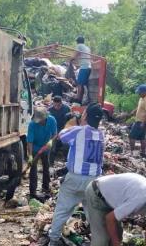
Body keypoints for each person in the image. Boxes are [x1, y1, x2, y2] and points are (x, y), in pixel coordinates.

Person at [48, 103, 104, 246]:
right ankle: (98, 241)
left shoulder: (78, 131)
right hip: (94, 181)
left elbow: (61, 135)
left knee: (62, 210)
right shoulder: (101, 135)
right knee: (93, 214)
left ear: (85, 115)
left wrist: (75, 122)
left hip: (75, 179)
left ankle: (53, 240)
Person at [84, 173, 146, 246]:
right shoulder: (139, 199)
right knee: (101, 240)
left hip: (113, 201)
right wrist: (116, 244)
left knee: (117, 235)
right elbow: (110, 219)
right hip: (97, 195)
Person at [27, 106, 57, 200]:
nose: (39, 122)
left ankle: (46, 187)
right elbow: (29, 141)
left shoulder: (52, 120)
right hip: (35, 148)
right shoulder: (32, 124)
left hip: (46, 146)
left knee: (46, 166)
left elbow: (55, 134)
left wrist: (51, 141)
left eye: (40, 120)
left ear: (45, 117)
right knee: (33, 169)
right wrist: (30, 155)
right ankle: (32, 192)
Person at [129, 84, 146, 156]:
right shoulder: (142, 98)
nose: (139, 94)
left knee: (131, 136)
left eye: (140, 92)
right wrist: (134, 111)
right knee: (142, 137)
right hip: (140, 121)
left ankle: (132, 152)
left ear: (144, 92)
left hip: (141, 121)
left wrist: (143, 122)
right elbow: (139, 106)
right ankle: (143, 153)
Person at [48, 96, 71, 165]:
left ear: (61, 103)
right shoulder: (50, 110)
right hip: (54, 132)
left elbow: (70, 122)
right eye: (55, 105)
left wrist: (64, 132)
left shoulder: (67, 109)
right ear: (53, 104)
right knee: (52, 148)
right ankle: (50, 164)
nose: (57, 107)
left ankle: (67, 163)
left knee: (66, 147)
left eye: (59, 105)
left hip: (65, 131)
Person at [72, 36, 91, 104]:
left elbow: (75, 55)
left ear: (77, 41)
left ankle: (78, 99)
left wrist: (70, 59)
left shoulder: (79, 46)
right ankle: (81, 98)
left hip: (84, 67)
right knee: (83, 85)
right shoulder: (87, 48)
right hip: (88, 66)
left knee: (79, 84)